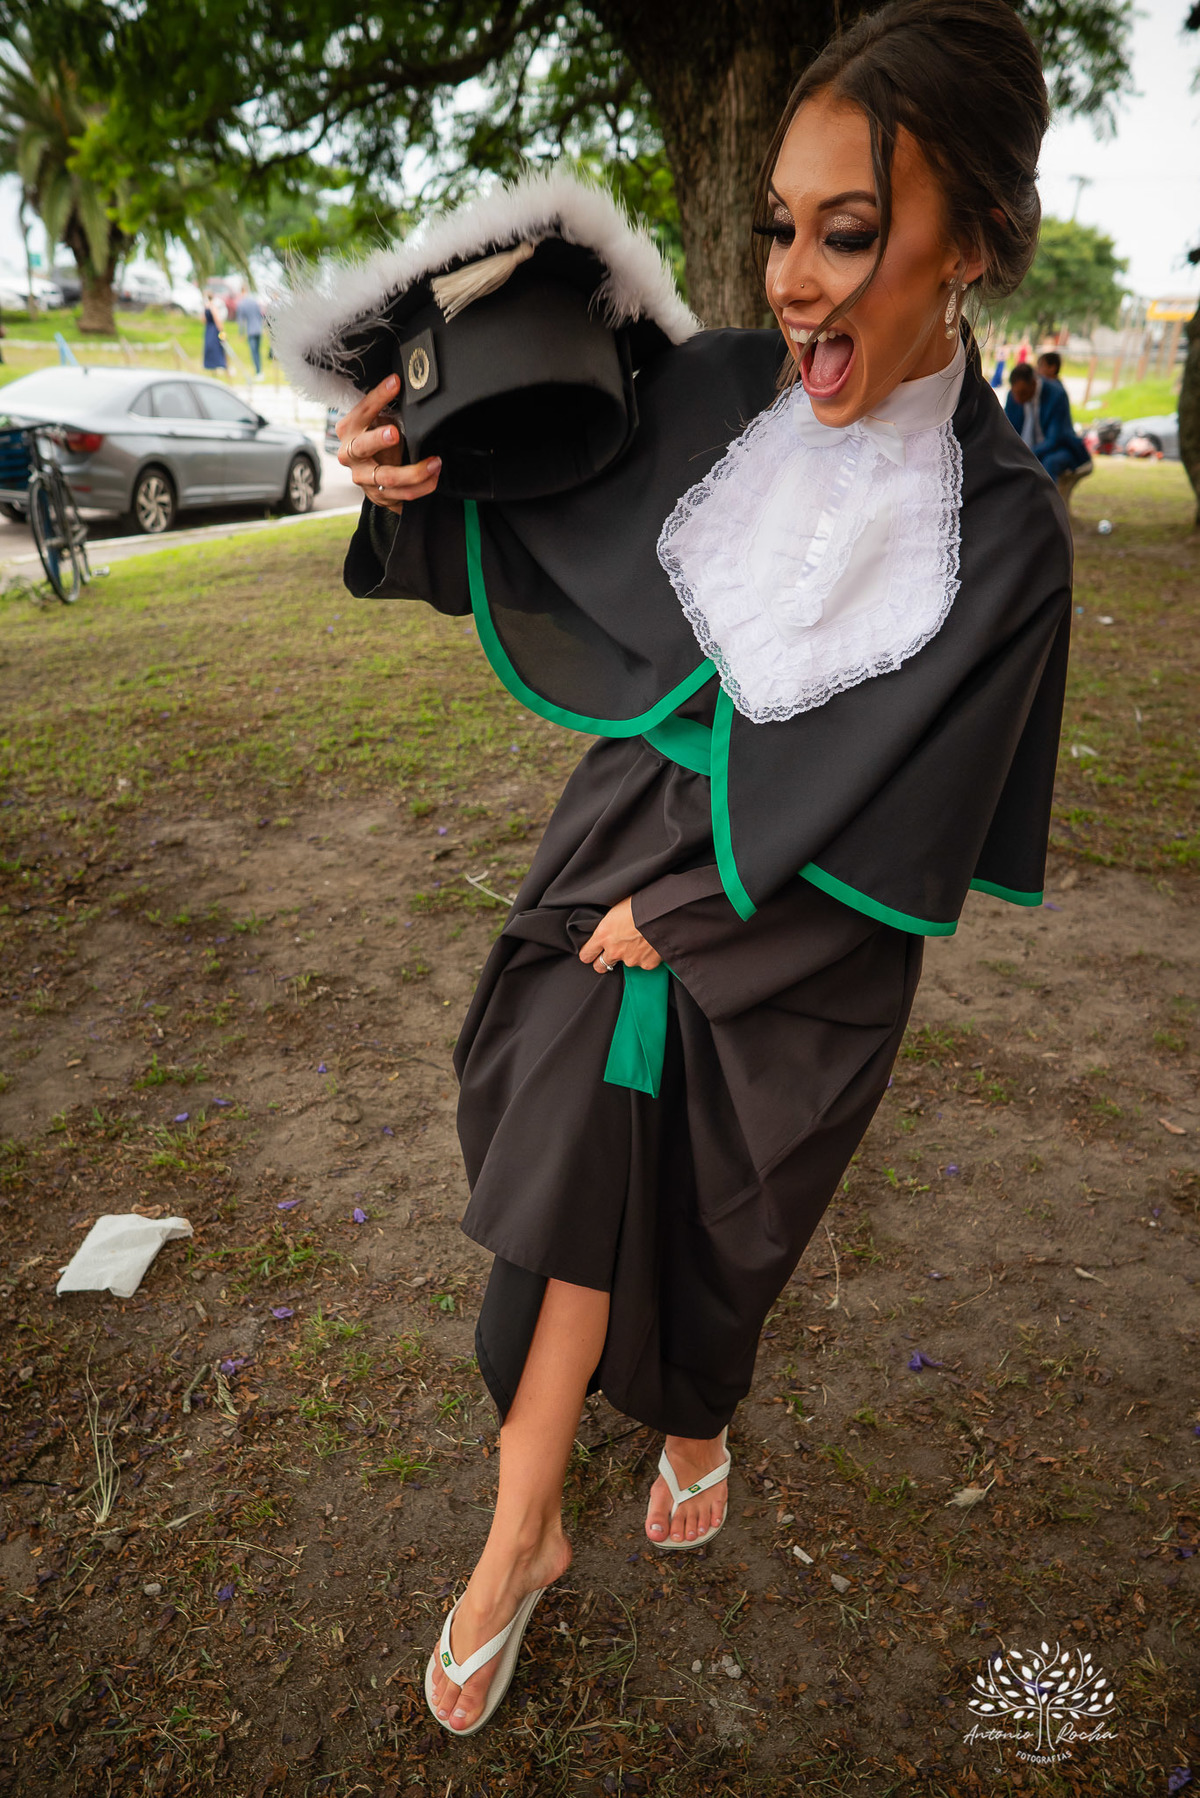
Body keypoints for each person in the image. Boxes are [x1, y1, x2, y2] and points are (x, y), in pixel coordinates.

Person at [288, 0, 1072, 1739]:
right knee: (578, 1122)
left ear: (971, 242)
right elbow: (534, 487)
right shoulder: (721, 391)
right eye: (782, 229)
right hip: (628, 835)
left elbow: (918, 798)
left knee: (723, 1232)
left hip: (808, 921)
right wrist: (404, 477)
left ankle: (697, 1412)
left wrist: (698, 913)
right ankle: (522, 1528)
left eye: (848, 233)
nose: (793, 279)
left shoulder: (1006, 523)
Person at [1005, 361, 1092, 485]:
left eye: (1023, 393)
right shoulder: (1013, 396)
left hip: (1058, 449)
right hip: (1026, 450)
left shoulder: (1057, 395)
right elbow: (1007, 430)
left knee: (1048, 463)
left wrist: (1026, 454)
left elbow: (1054, 439)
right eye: (1015, 394)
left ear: (1033, 383)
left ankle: (1045, 497)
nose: (1018, 399)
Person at [236, 290, 264, 376]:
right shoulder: (255, 302)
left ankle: (258, 372)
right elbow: (260, 315)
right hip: (259, 330)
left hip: (251, 331)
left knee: (254, 352)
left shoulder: (242, 304)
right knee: (258, 351)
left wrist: (241, 334)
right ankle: (260, 371)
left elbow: (241, 321)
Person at [202, 296, 227, 375]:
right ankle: (218, 366)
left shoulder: (206, 308)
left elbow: (203, 320)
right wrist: (222, 331)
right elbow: (217, 320)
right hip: (214, 330)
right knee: (216, 347)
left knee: (209, 347)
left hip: (208, 329)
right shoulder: (213, 307)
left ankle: (211, 367)